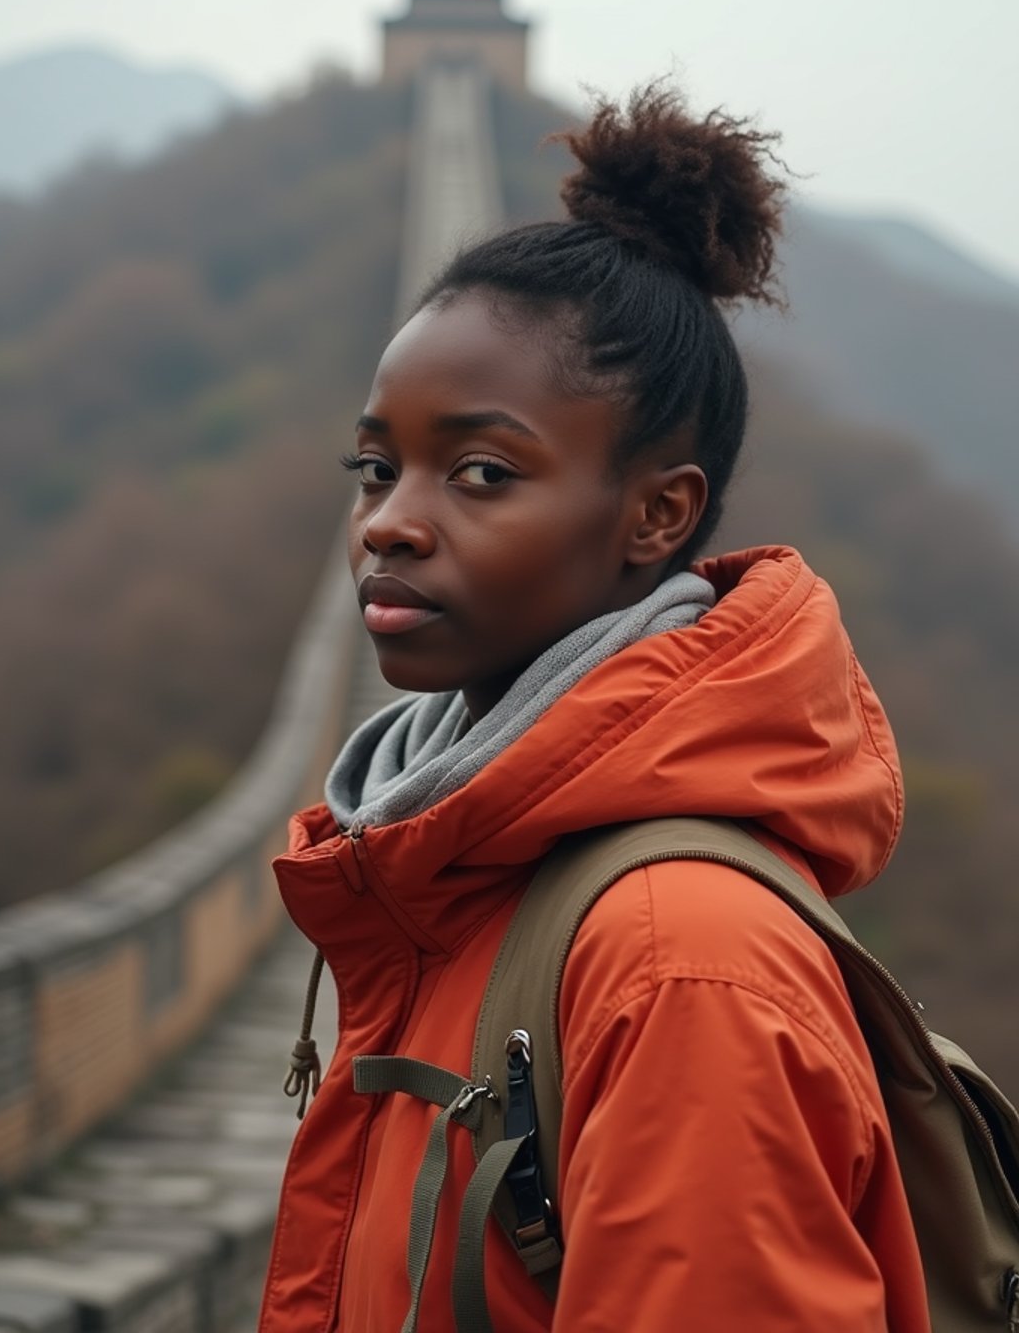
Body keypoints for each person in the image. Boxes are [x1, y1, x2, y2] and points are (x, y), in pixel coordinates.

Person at [259, 86, 931, 1332]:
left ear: (658, 516)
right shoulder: (434, 862)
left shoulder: (681, 965)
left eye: (480, 472)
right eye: (375, 466)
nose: (390, 521)